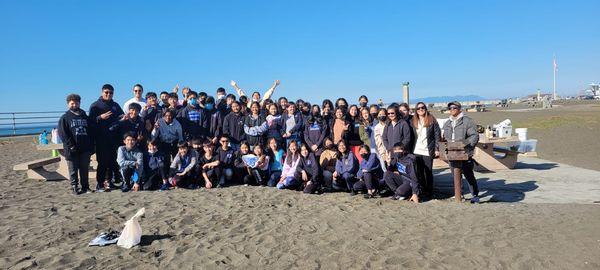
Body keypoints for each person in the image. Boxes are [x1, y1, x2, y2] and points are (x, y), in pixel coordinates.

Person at [442, 101, 480, 203]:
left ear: (460, 109)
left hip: (465, 153)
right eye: (450, 108)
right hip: (452, 153)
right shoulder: (447, 123)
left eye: (454, 108)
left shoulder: (467, 121)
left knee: (468, 175)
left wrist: (464, 144)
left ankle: (475, 195)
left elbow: (474, 136)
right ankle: (459, 194)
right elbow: (445, 138)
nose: (452, 110)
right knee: (455, 174)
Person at [89, 84, 124, 191]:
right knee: (102, 162)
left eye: (111, 93)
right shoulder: (95, 105)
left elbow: (121, 116)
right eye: (106, 92)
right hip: (101, 139)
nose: (108, 94)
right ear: (102, 92)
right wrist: (100, 117)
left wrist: (123, 118)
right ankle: (100, 183)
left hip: (113, 139)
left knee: (112, 161)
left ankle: (109, 182)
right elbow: (90, 122)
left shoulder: (115, 105)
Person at [58, 94, 94, 195]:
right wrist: (71, 145)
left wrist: (91, 145)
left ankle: (85, 187)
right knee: (73, 169)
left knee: (84, 169)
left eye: (76, 103)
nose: (74, 105)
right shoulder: (65, 118)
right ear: (68, 104)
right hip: (72, 149)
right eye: (72, 103)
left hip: (85, 148)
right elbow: (63, 133)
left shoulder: (84, 116)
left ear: (79, 103)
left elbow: (91, 130)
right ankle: (74, 187)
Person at [412, 102, 441, 197]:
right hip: (416, 150)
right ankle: (422, 190)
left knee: (428, 171)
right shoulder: (414, 120)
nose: (420, 109)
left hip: (428, 150)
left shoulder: (431, 119)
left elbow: (437, 135)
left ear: (425, 108)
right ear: (416, 110)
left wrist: (437, 148)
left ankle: (429, 191)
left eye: (422, 107)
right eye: (418, 108)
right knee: (419, 172)